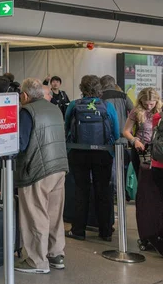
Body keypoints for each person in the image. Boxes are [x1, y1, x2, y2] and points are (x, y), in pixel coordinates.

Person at [13, 80, 68, 274]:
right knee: (54, 214)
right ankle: (56, 254)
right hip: (59, 167)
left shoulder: (27, 112)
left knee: (35, 215)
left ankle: (37, 261)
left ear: (26, 96)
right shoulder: (55, 109)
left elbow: (20, 143)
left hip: (36, 169)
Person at [65, 75, 119, 242]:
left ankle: (78, 230)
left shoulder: (74, 105)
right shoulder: (107, 106)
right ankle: (105, 231)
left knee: (81, 190)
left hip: (78, 153)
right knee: (103, 190)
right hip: (103, 153)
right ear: (99, 88)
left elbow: (66, 127)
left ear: (82, 88)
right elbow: (116, 132)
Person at [123, 87, 162, 178]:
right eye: (145, 104)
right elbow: (126, 131)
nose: (148, 107)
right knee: (142, 179)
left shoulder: (160, 112)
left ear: (156, 102)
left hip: (158, 150)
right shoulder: (136, 111)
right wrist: (135, 141)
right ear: (141, 102)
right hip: (141, 149)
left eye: (151, 104)